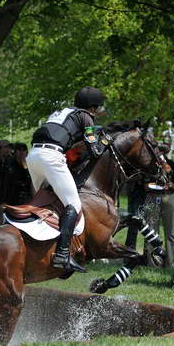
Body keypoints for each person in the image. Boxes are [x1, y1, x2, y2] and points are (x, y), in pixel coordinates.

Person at [26, 86, 106, 273]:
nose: (97, 112)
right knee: (73, 205)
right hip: (51, 157)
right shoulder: (85, 115)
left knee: (43, 202)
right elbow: (95, 151)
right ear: (92, 107)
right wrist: (103, 142)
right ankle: (62, 255)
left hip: (34, 155)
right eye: (98, 108)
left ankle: (35, 245)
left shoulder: (61, 112)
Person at [142, 145, 174, 268]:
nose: (160, 156)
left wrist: (169, 184)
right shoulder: (149, 166)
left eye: (162, 153)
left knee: (171, 232)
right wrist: (154, 184)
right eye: (157, 153)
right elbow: (145, 185)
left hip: (169, 197)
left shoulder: (171, 164)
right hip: (152, 197)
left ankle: (171, 263)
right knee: (151, 231)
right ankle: (152, 263)